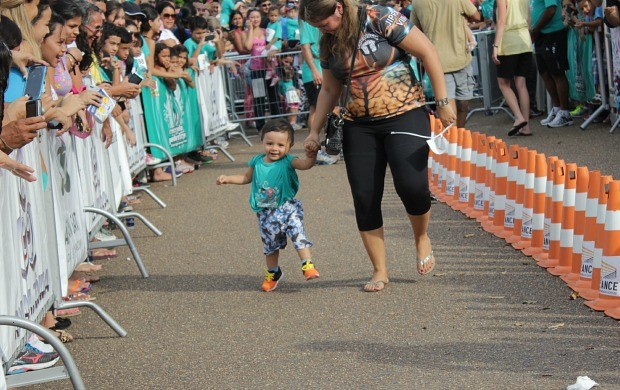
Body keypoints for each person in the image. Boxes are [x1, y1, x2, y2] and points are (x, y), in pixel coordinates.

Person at [300, 0, 456, 292]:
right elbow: (331, 88)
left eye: (323, 24)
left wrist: (444, 102)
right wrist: (313, 131)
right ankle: (379, 269)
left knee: (412, 186)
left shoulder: (379, 17)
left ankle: (421, 237)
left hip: (405, 112)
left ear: (338, 8)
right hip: (359, 125)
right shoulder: (328, 42)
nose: (321, 30)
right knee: (365, 195)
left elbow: (427, 52)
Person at [216, 118, 319, 292]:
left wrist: (311, 156)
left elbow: (305, 165)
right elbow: (246, 178)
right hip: (266, 213)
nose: (274, 148)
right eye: (269, 143)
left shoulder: (288, 161)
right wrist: (228, 179)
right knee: (270, 246)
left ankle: (307, 264)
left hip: (287, 207)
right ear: (262, 141)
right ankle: (273, 272)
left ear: (290, 145)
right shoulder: (256, 162)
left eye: (280, 145)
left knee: (297, 231)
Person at [411, 0, 480, 128]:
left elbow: (415, 29)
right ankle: (459, 137)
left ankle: (457, 139)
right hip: (458, 58)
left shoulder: (417, 2)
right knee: (461, 104)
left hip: (437, 62)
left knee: (450, 106)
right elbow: (477, 16)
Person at [491, 0, 534, 136]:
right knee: (521, 85)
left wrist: (495, 46)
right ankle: (526, 127)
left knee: (503, 84)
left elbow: (502, 20)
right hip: (524, 40)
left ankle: (519, 117)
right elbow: (528, 19)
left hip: (509, 41)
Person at [530, 0, 573, 127]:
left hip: (552, 33)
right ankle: (557, 108)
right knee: (545, 73)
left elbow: (551, 9)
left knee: (557, 73)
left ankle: (565, 113)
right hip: (540, 35)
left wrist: (536, 29)